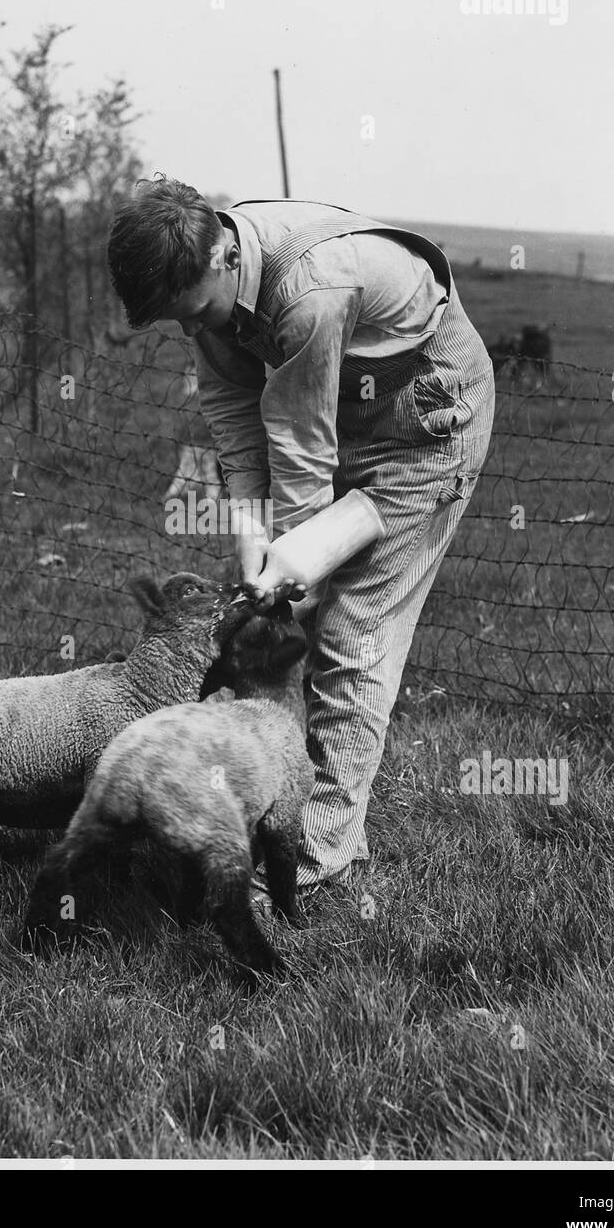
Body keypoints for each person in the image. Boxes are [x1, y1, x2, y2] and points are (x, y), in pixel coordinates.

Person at [107, 178, 494, 897]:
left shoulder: (310, 292)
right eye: (177, 323)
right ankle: (323, 815)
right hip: (351, 412)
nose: (193, 332)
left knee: (349, 632)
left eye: (194, 314)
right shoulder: (217, 276)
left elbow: (303, 461)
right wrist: (257, 553)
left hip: (428, 429)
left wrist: (289, 586)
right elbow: (234, 412)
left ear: (223, 255)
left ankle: (313, 860)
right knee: (301, 621)